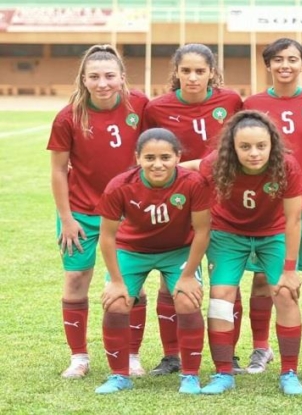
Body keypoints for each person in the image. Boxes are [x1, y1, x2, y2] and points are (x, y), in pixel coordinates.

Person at [183, 110, 302, 395]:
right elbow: (190, 167)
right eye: (245, 147)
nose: (254, 153)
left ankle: (289, 373)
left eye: (261, 146)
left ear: (272, 144)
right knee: (221, 296)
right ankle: (223, 373)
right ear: (232, 147)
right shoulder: (218, 162)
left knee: (285, 293)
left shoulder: (286, 166)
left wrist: (290, 270)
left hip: (273, 234)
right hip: (227, 234)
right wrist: (152, 171)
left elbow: (294, 219)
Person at [47, 44, 149, 379]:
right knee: (76, 278)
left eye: (109, 76)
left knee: (131, 284)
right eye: (94, 77)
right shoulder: (68, 116)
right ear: (83, 79)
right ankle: (79, 357)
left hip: (129, 213)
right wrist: (66, 219)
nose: (102, 83)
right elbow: (58, 170)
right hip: (81, 212)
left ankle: (131, 355)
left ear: (122, 77)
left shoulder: (140, 105)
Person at [141, 43, 243, 375]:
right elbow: (148, 155)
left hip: (223, 200)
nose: (193, 77)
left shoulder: (230, 101)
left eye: (200, 71)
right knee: (171, 280)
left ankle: (229, 355)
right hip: (177, 203)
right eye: (186, 71)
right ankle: (172, 356)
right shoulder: (157, 107)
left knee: (226, 279)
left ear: (212, 72)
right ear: (176, 73)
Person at [242, 38, 302, 375]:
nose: (285, 65)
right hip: (266, 206)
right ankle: (261, 348)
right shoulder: (252, 104)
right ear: (268, 65)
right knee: (261, 280)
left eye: (292, 59)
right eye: (278, 59)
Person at [95, 128, 211, 394]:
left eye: (165, 157)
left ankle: (190, 376)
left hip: (179, 251)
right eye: (149, 158)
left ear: (178, 157)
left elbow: (203, 231)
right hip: (132, 250)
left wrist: (188, 275)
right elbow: (107, 236)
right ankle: (119, 375)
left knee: (187, 299)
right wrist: (115, 281)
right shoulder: (120, 186)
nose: (158, 164)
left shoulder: (193, 183)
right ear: (138, 158)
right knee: (116, 302)